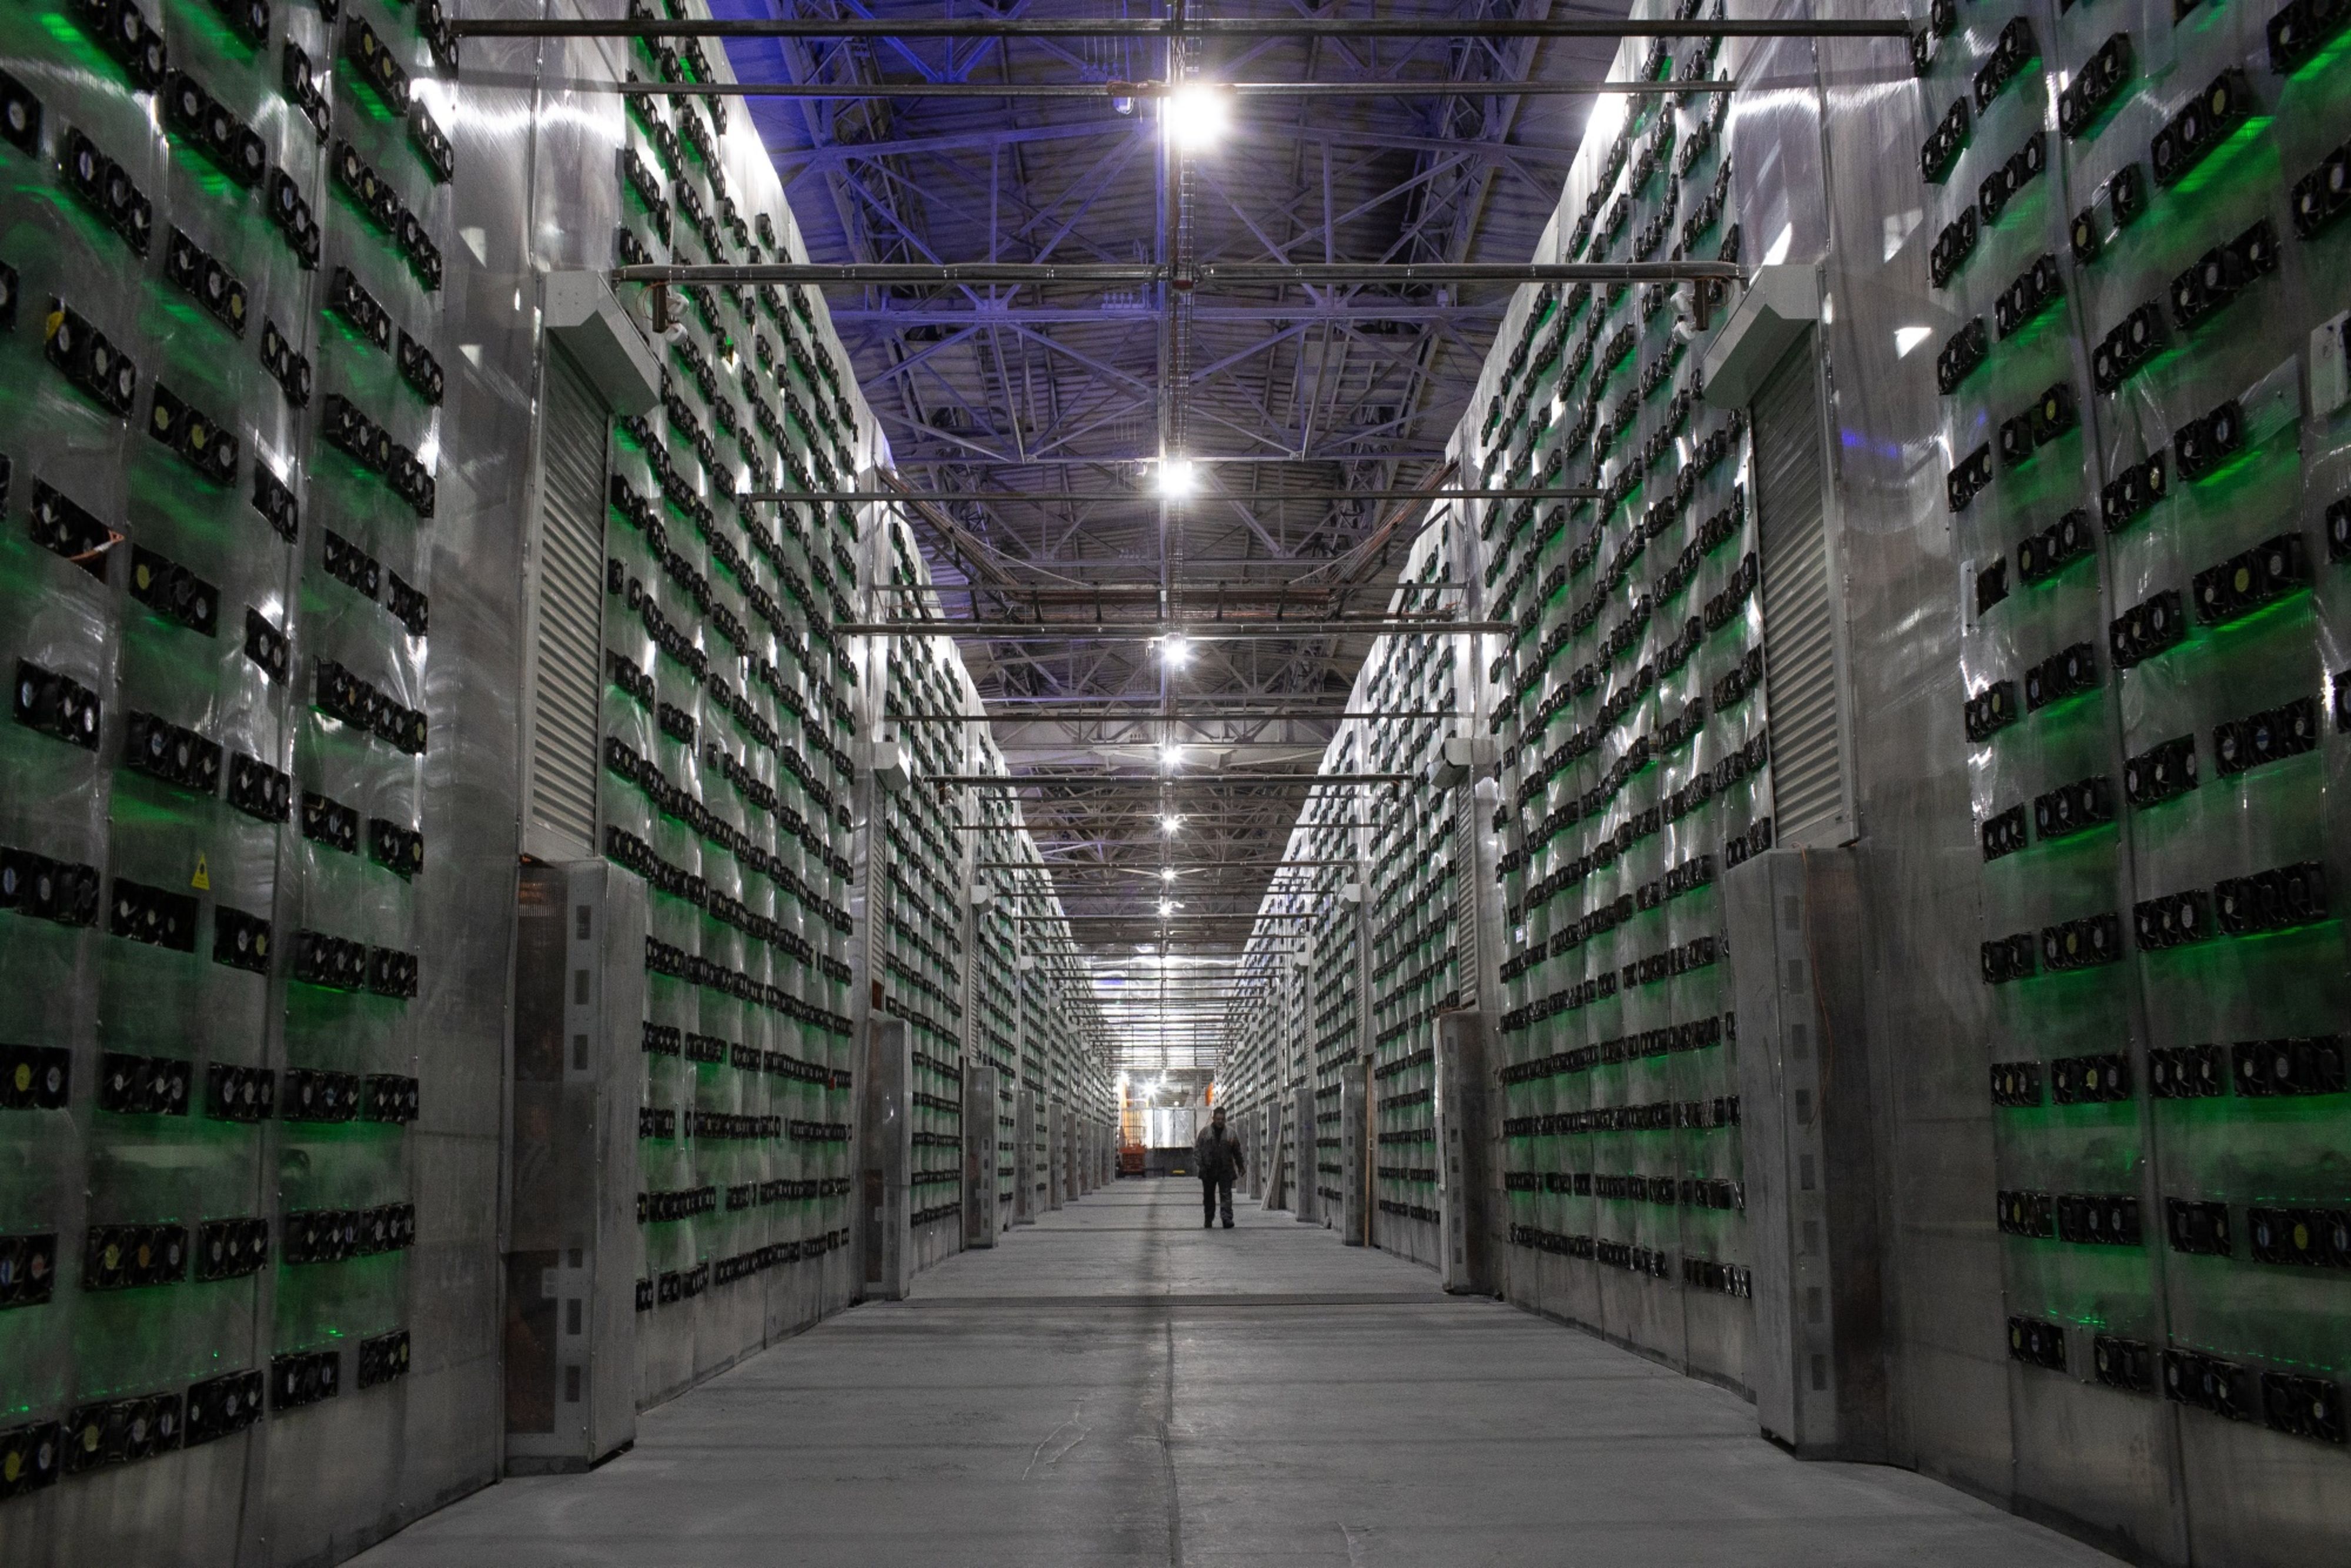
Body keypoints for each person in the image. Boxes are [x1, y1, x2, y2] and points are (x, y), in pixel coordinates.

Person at [1193, 1106, 1243, 1229]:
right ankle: (1209, 1218)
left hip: (1225, 1169)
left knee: (1226, 1195)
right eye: (1218, 1119)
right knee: (1209, 1196)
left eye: (1222, 1119)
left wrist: (1241, 1166)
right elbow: (1197, 1150)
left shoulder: (1231, 1133)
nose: (1220, 1121)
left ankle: (1227, 1219)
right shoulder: (1205, 1133)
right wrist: (1202, 1165)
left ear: (1225, 1119)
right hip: (1209, 1170)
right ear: (1213, 1118)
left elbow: (1237, 1151)